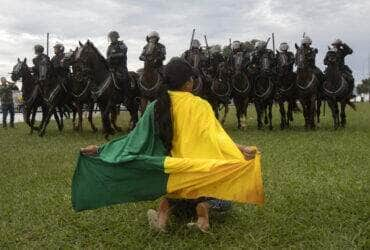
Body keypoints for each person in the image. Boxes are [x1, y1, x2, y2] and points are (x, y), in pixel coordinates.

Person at [74, 58, 264, 233]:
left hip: (172, 175)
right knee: (223, 199)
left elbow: (133, 141)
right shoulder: (200, 105)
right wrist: (243, 149)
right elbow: (218, 139)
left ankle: (163, 216)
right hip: (200, 175)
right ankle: (203, 214)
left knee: (172, 194)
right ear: (189, 83)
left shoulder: (154, 106)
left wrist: (100, 149)